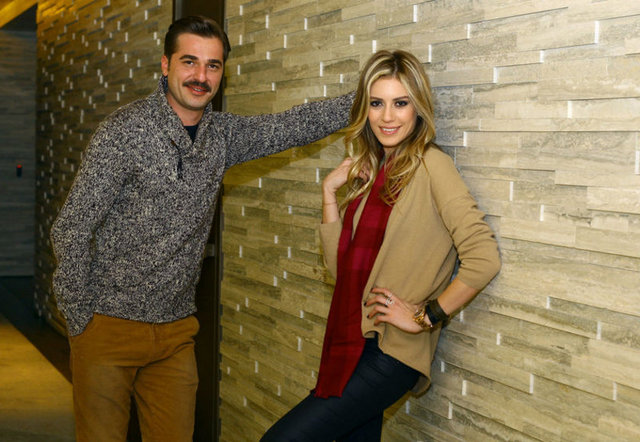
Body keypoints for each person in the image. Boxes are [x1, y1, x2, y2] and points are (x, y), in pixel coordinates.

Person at [50, 15, 354, 442]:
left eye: (213, 65)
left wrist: (371, 98)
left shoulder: (222, 136)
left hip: (175, 333)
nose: (201, 76)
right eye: (189, 61)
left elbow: (290, 126)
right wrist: (81, 317)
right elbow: (71, 226)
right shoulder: (125, 131)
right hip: (107, 328)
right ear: (165, 64)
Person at [261, 49, 501, 441]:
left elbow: (484, 258)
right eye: (377, 103)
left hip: (392, 352)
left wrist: (426, 316)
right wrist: (329, 194)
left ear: (418, 108)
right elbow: (341, 273)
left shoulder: (431, 165)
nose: (387, 117)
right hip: (353, 342)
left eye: (400, 103)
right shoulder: (374, 173)